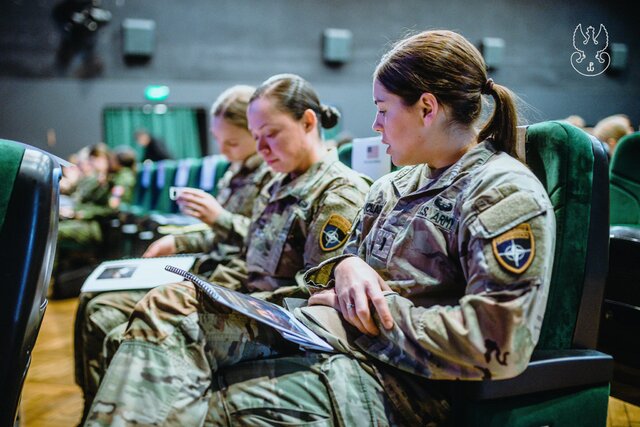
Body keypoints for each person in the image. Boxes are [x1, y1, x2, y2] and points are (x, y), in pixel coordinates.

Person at [87, 31, 556, 425]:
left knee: (214, 407)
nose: (374, 124)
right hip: (333, 339)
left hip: (407, 383)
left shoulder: (502, 194)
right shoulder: (393, 186)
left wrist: (367, 313)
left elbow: (497, 343)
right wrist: (349, 265)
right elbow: (332, 269)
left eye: (383, 108)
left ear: (427, 108)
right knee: (169, 318)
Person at [81, 76, 370, 424]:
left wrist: (228, 297)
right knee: (123, 330)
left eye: (271, 134)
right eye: (256, 137)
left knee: (162, 314)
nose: (261, 149)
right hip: (251, 299)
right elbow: (249, 250)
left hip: (285, 319)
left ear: (308, 122)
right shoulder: (279, 182)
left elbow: (315, 296)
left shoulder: (340, 191)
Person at [74, 85, 275, 422]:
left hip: (230, 279)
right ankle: (92, 407)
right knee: (93, 300)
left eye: (233, 142)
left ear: (255, 133)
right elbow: (216, 234)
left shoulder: (271, 173)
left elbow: (263, 242)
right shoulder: (235, 171)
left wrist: (217, 218)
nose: (224, 152)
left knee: (105, 317)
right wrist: (179, 242)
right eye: (219, 141)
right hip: (209, 267)